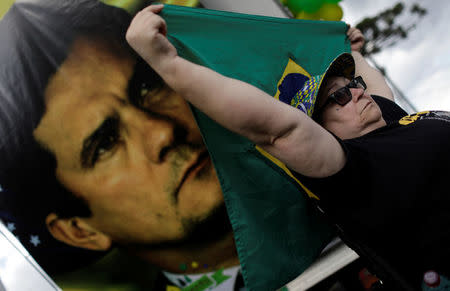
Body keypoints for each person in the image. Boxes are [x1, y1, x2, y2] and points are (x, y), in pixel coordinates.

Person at [126, 4, 450, 290]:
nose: (355, 93)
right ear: (320, 132)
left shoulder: (388, 119)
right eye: (337, 97)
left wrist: (352, 50)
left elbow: (372, 83)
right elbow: (275, 128)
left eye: (353, 86)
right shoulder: (351, 170)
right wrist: (168, 63)